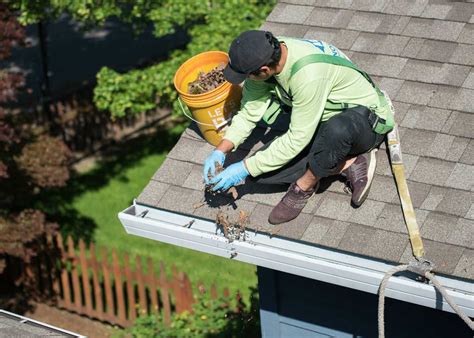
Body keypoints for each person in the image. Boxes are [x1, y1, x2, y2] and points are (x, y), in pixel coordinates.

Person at [203, 30, 394, 225]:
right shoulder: (270, 55)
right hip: (319, 118)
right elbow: (249, 112)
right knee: (259, 176)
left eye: (247, 76)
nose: (246, 81)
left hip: (362, 123)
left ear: (264, 70)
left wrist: (243, 168)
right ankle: (341, 164)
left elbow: (296, 140)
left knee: (336, 131)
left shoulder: (307, 75)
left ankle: (308, 184)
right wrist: (221, 150)